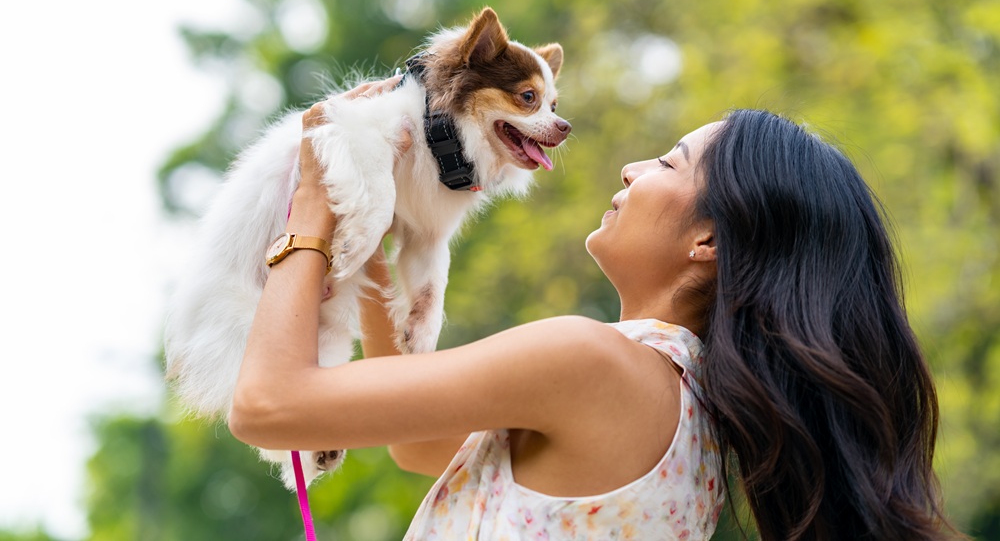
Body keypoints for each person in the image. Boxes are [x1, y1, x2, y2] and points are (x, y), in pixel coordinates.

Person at [229, 77, 954, 540]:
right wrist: (386, 226)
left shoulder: (592, 363)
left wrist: (315, 211)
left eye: (669, 162)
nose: (632, 169)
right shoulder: (683, 410)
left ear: (708, 240)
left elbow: (266, 405)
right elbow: (420, 445)